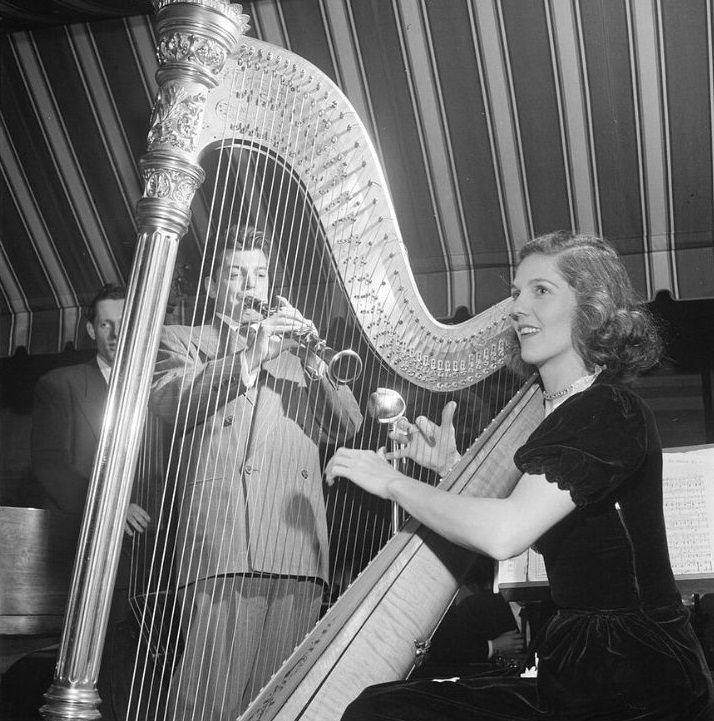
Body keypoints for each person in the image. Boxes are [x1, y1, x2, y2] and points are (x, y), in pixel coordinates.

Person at [326, 232, 714, 721]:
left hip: (637, 678)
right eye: (515, 292)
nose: (517, 307)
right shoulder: (559, 411)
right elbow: (570, 524)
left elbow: (506, 532)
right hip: (581, 668)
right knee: (383, 706)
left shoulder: (609, 408)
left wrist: (392, 482)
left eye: (541, 290)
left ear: (591, 310)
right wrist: (450, 469)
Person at [149, 225, 363, 721]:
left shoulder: (299, 352)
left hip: (299, 545)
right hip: (226, 541)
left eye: (260, 273)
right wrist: (249, 356)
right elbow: (168, 403)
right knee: (209, 702)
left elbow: (347, 425)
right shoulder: (184, 339)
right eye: (235, 273)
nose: (250, 284)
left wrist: (314, 360)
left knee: (284, 703)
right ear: (211, 286)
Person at [31, 283, 151, 720]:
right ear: (90, 329)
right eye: (106, 323)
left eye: (125, 323)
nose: (117, 333)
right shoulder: (59, 385)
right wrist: (111, 509)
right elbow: (51, 467)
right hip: (91, 564)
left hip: (153, 565)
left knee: (141, 686)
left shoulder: (160, 387)